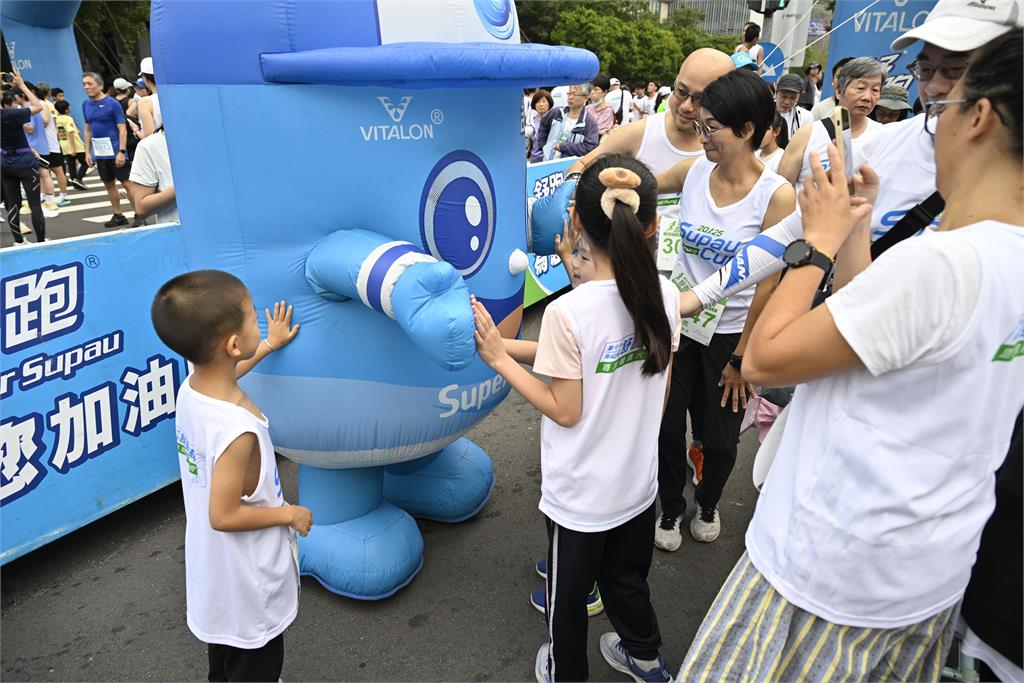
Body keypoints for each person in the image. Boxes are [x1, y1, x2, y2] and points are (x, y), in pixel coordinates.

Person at [678, 25, 1023, 680]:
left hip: (829, 574)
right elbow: (879, 338)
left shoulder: (943, 263)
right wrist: (859, 228)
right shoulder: (1004, 255)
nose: (931, 113)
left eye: (941, 103)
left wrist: (820, 240)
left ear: (979, 117)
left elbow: (767, 358)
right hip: (923, 580)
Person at [474, 154, 680, 683]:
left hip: (582, 497)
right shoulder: (666, 296)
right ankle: (647, 658)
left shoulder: (571, 311)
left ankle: (566, 672)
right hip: (637, 484)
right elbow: (652, 386)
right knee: (627, 581)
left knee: (567, 597)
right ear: (652, 224)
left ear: (578, 225)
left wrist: (498, 359)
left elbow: (565, 408)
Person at [652, 69, 796, 550]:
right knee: (666, 426)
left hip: (729, 336)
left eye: (711, 126)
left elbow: (768, 285)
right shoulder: (695, 170)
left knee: (719, 441)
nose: (701, 134)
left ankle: (708, 501)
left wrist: (742, 358)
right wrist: (592, 171)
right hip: (678, 326)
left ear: (747, 130)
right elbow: (645, 182)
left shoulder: (775, 195)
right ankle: (670, 508)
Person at [151, 270, 309, 682]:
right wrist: (289, 514)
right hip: (248, 583)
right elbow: (223, 515)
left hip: (216, 579)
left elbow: (227, 373)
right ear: (234, 344)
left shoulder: (193, 388)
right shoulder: (239, 432)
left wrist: (270, 343)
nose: (259, 320)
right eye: (253, 316)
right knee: (253, 670)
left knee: (222, 666)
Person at [777, 57, 884, 190]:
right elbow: (780, 191)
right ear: (839, 91)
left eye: (875, 90)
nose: (867, 97)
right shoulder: (806, 135)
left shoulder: (883, 137)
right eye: (861, 88)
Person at [1, 70, 47, 244]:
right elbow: (38, 106)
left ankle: (18, 241)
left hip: (5, 162)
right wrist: (21, 85)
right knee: (35, 204)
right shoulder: (13, 114)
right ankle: (41, 241)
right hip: (25, 162)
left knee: (13, 204)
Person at [81, 71, 131, 228]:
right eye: (84, 84)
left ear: (100, 85)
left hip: (117, 151)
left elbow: (122, 129)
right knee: (109, 184)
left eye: (90, 83)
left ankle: (139, 213)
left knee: (127, 184)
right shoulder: (86, 105)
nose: (86, 87)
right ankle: (118, 215)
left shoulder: (112, 103)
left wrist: (122, 151)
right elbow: (88, 129)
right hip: (101, 153)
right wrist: (87, 152)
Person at [535, 83, 598, 161]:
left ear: (585, 98)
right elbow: (543, 127)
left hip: (571, 167)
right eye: (569, 93)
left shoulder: (589, 122)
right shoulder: (556, 113)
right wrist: (543, 146)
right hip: (548, 163)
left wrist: (565, 147)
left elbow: (589, 147)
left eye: (575, 94)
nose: (570, 97)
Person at [129, 126, 177, 225]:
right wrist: (183, 185)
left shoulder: (214, 135)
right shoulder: (150, 145)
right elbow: (142, 208)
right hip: (179, 233)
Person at [34, 82, 70, 207]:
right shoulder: (37, 104)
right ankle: (46, 196)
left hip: (51, 144)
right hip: (43, 145)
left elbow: (50, 123)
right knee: (44, 172)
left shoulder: (47, 105)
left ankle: (63, 195)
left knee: (57, 170)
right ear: (49, 93)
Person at [54, 99, 88, 190]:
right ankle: (78, 179)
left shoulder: (57, 119)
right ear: (66, 109)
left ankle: (74, 181)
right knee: (85, 163)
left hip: (64, 145)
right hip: (75, 145)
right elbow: (70, 132)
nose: (70, 108)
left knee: (71, 165)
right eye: (69, 107)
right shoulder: (68, 119)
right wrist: (73, 148)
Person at [811, 56, 853, 121]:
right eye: (839, 77)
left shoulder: (866, 110)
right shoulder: (819, 109)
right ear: (832, 81)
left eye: (850, 77)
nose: (844, 82)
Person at [774, 73, 807, 140]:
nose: (787, 102)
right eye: (783, 96)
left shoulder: (805, 117)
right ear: (776, 92)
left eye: (793, 98)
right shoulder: (762, 112)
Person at [136, 57, 162, 138]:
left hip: (161, 149)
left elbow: (150, 139)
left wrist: (136, 130)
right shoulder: (176, 97)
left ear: (145, 78)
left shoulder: (145, 102)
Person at [527, 89, 553, 162]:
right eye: (538, 102)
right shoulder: (531, 122)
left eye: (544, 101)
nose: (541, 104)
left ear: (549, 103)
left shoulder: (554, 121)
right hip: (533, 160)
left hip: (550, 160)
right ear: (534, 104)